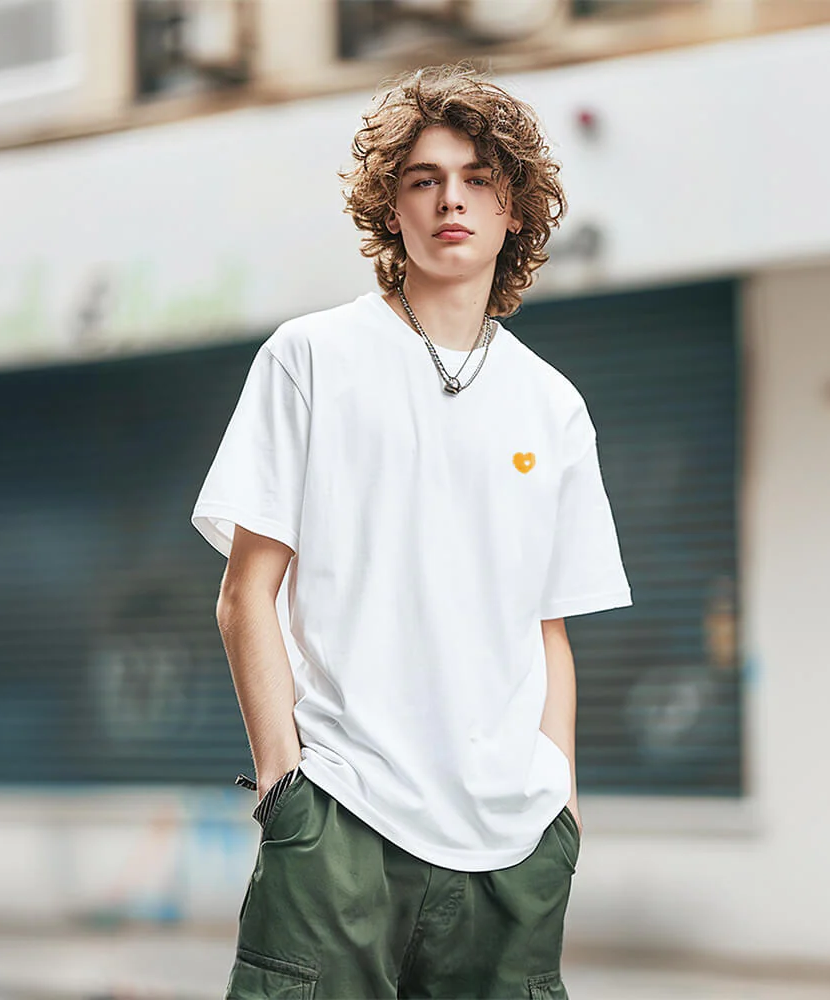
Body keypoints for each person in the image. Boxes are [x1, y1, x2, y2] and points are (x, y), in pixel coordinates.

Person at [191, 63, 631, 1000]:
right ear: (392, 209)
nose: (450, 200)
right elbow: (245, 595)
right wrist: (284, 789)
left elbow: (548, 629)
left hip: (513, 847)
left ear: (515, 210)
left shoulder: (552, 405)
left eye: (477, 178)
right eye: (424, 179)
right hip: (341, 821)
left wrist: (563, 812)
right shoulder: (312, 358)